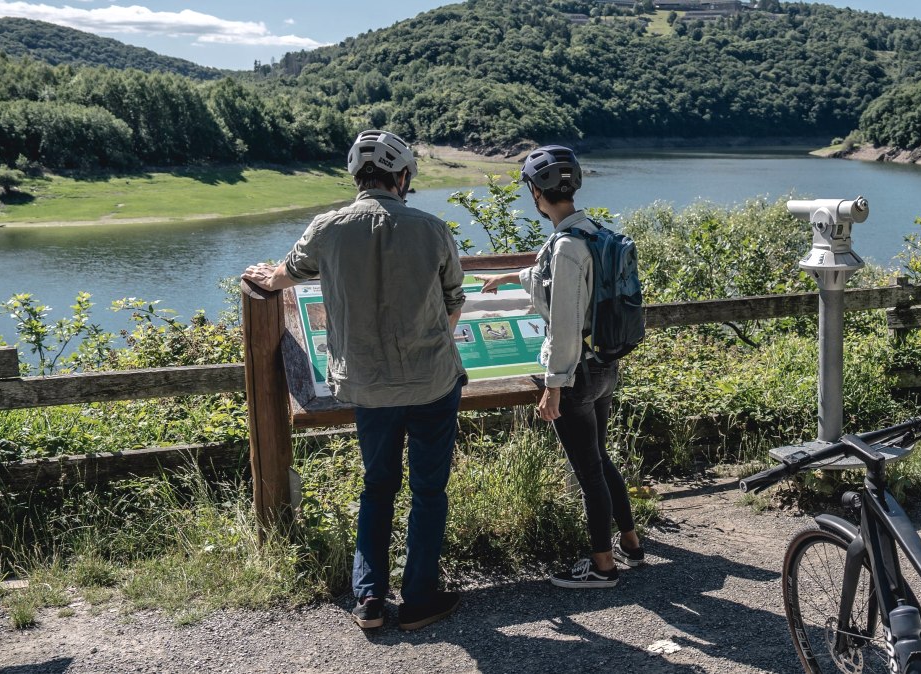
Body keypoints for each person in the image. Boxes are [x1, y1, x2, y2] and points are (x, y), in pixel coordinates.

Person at [241, 130, 466, 630]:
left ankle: (369, 600)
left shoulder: (327, 227)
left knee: (377, 486)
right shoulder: (432, 228)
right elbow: (454, 298)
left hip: (366, 385)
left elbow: (284, 275)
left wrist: (265, 276)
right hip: (432, 381)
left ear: (357, 177)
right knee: (430, 490)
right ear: (402, 177)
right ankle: (419, 597)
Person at [479, 145, 643, 589]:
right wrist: (511, 275)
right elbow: (548, 279)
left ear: (536, 193)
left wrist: (553, 384)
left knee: (588, 471)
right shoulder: (590, 232)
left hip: (575, 374)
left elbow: (566, 321)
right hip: (604, 364)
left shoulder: (567, 246)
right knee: (601, 458)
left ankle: (602, 566)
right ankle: (630, 542)